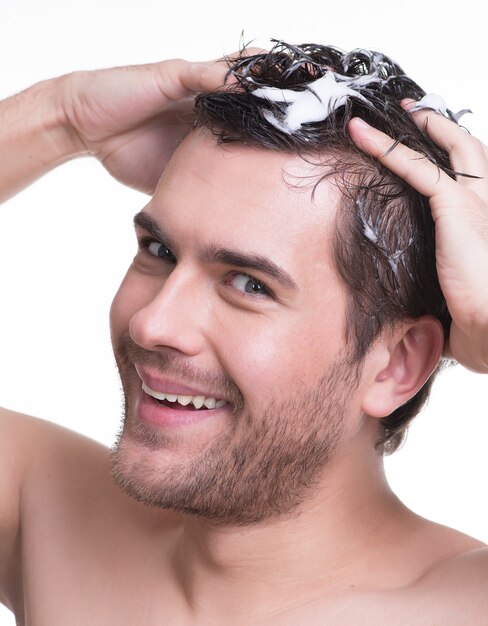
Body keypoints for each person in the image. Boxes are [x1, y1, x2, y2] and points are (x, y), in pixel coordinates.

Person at [1, 40, 487, 625]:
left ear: (395, 365)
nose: (152, 322)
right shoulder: (46, 512)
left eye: (250, 284)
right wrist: (61, 119)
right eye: (158, 250)